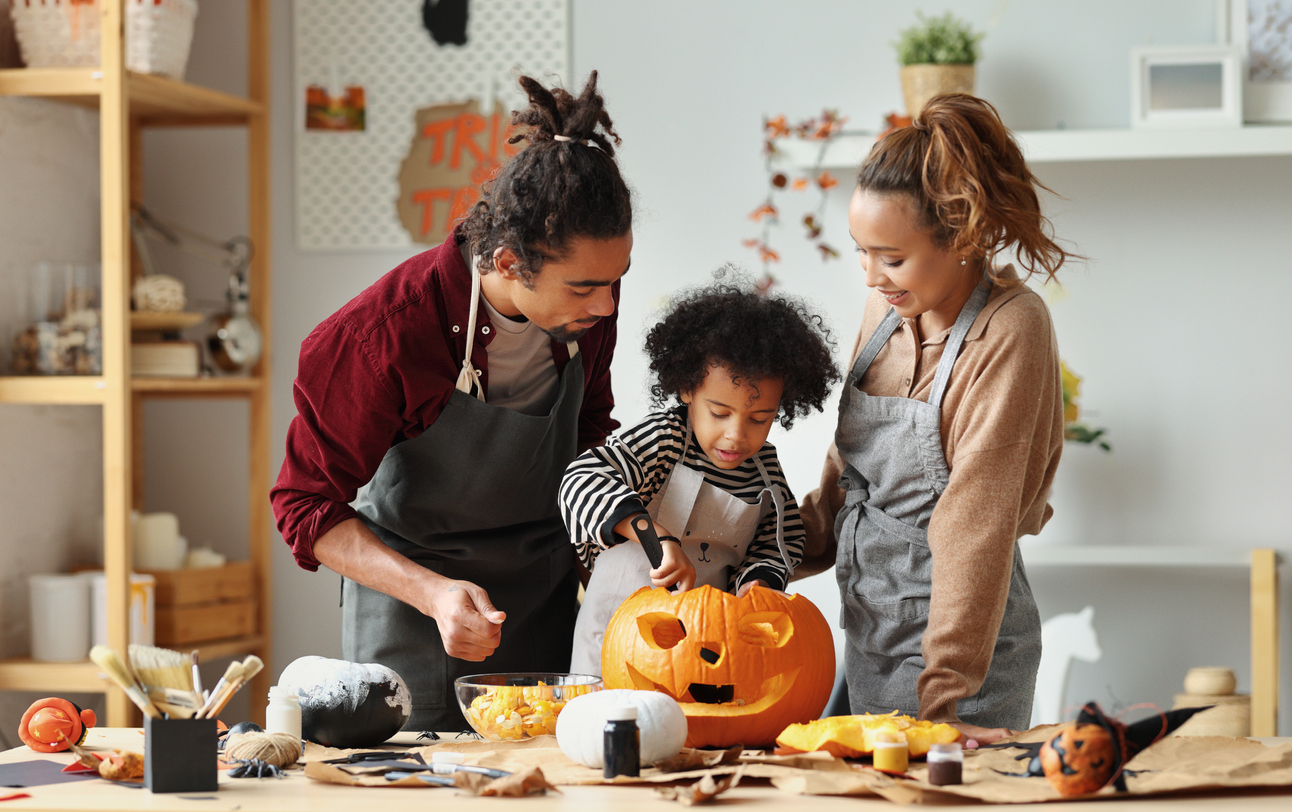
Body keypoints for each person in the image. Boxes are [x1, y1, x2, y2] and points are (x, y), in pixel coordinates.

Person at [270, 72, 634, 731]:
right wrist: (433, 595)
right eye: (585, 287)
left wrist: (620, 552)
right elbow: (304, 506)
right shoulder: (381, 337)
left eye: (617, 281)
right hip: (417, 613)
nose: (607, 306)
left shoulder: (589, 310)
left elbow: (588, 436)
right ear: (504, 262)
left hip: (545, 602)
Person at [798, 93, 1074, 743]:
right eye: (861, 252)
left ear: (965, 237)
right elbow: (848, 473)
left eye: (890, 257)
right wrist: (759, 552)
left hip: (961, 663)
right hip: (868, 634)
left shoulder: (1010, 329)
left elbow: (974, 523)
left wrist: (944, 703)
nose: (871, 276)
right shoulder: (887, 309)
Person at [560, 278, 839, 675]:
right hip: (616, 637)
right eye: (720, 413)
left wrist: (759, 583)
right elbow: (582, 478)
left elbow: (783, 541)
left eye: (760, 418)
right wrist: (654, 536)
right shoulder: (665, 438)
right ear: (688, 388)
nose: (737, 435)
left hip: (703, 644)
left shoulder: (765, 473)